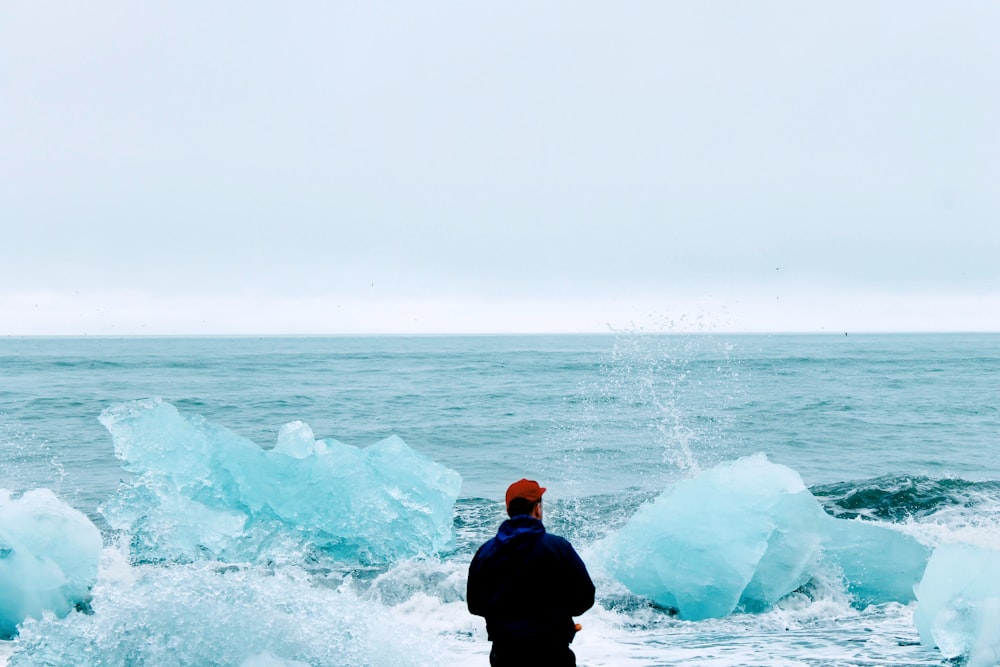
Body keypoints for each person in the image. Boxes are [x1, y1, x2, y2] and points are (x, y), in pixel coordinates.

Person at [467, 479, 595, 667]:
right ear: (537, 508)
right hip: (553, 652)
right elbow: (585, 598)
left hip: (505, 654)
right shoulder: (558, 547)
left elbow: (475, 605)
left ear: (509, 510)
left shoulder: (486, 552)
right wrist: (556, 615)